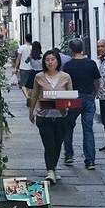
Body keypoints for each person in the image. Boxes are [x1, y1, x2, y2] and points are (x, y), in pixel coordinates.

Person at [29, 50, 73, 184]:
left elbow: (70, 96)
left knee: (58, 143)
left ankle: (53, 168)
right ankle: (50, 171)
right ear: (44, 62)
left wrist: (65, 105)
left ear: (57, 61)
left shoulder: (66, 77)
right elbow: (35, 95)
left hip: (61, 116)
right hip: (44, 116)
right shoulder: (39, 76)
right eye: (47, 60)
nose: (50, 62)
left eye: (53, 59)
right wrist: (31, 111)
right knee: (49, 144)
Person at [62, 38, 100, 169]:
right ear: (82, 48)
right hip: (88, 97)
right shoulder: (91, 63)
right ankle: (90, 161)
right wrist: (95, 93)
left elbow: (65, 83)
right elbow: (96, 80)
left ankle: (69, 155)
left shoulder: (68, 65)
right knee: (88, 129)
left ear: (71, 50)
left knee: (68, 126)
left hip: (73, 97)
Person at [15, 34, 33, 102]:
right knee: (30, 85)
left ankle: (27, 97)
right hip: (31, 68)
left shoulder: (21, 48)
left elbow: (18, 59)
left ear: (25, 39)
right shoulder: (33, 48)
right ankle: (29, 97)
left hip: (23, 68)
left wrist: (16, 68)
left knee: (23, 85)